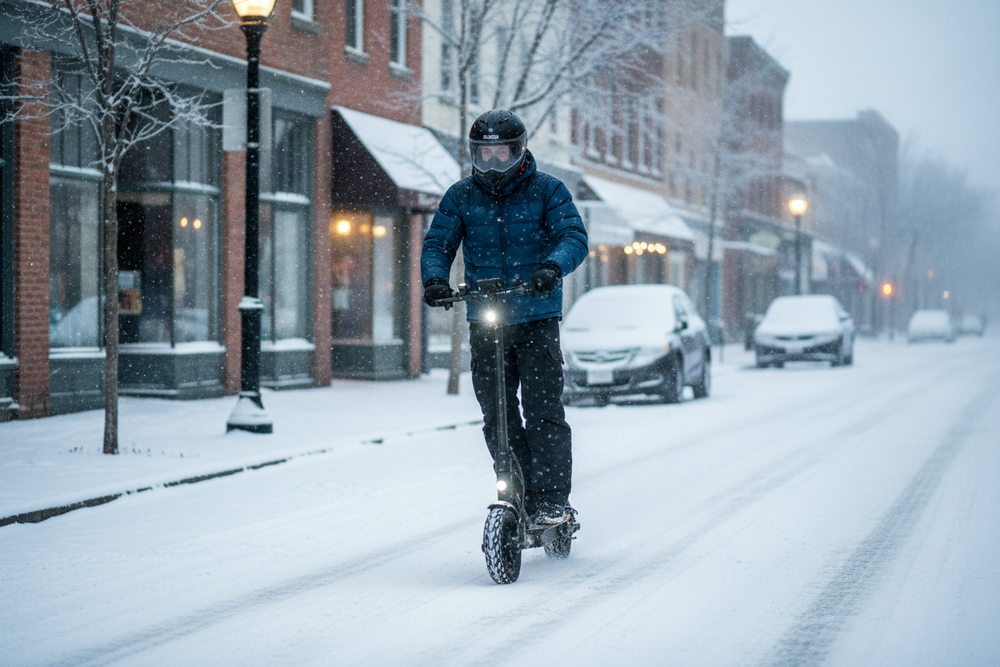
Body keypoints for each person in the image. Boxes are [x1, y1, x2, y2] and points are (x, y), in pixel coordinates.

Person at [421, 109, 588, 525]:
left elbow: (573, 236)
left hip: (536, 317)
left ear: (520, 151)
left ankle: (551, 500)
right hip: (486, 319)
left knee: (543, 410)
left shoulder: (548, 190)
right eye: (484, 154)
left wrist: (551, 268)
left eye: (502, 154)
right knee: (496, 414)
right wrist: (435, 280)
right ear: (473, 154)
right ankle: (516, 486)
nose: (493, 164)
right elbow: (438, 243)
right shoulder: (461, 196)